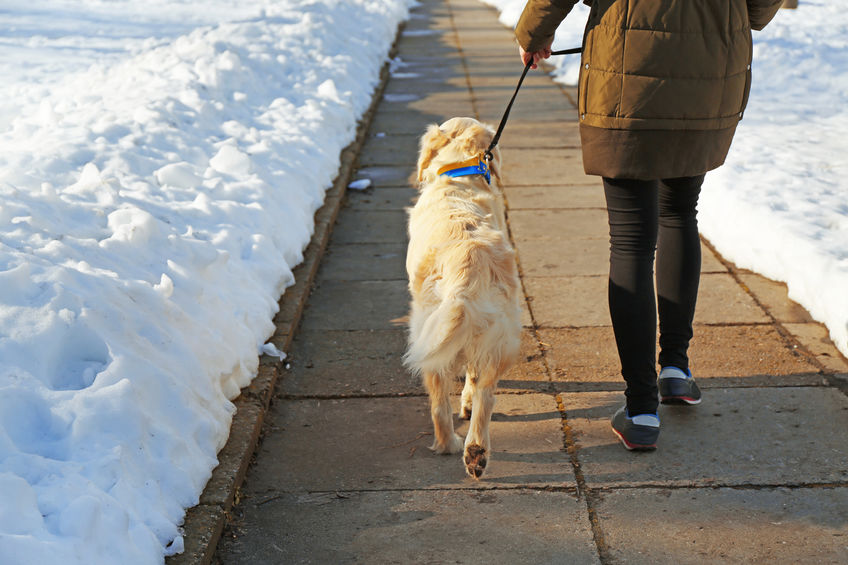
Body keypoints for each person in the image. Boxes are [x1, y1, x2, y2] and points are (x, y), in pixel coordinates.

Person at [514, 0, 784, 450]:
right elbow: (758, 9)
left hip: (627, 73)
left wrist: (533, 33)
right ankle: (676, 367)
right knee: (680, 213)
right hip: (709, 71)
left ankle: (641, 408)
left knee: (632, 242)